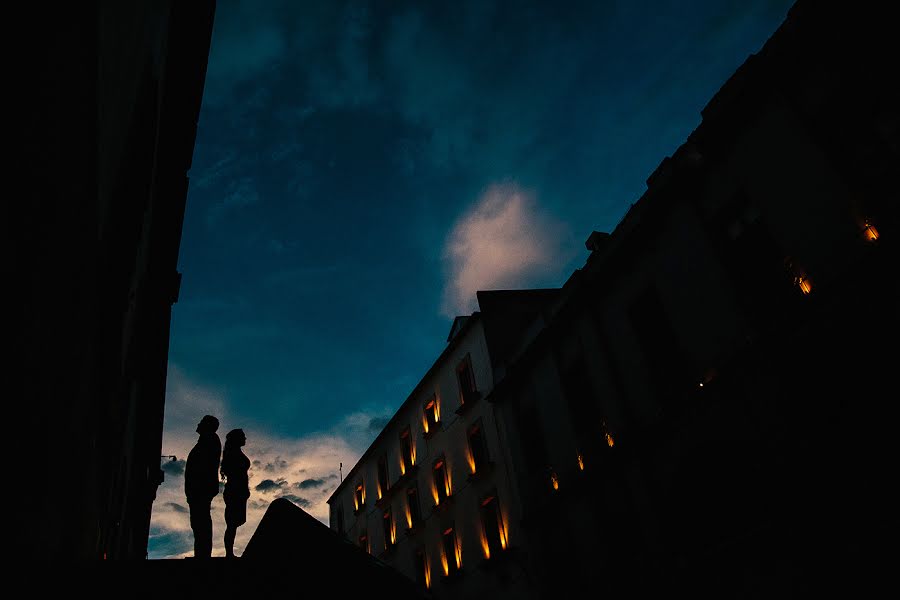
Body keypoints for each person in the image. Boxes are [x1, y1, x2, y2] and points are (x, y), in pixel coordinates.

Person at [184, 415, 221, 558]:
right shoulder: (206, 440)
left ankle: (203, 555)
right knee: (198, 523)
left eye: (202, 422)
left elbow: (204, 466)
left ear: (207, 425)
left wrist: (195, 487)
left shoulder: (210, 440)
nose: (198, 424)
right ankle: (201, 554)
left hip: (201, 488)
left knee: (201, 522)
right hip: (198, 489)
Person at [220, 428, 251, 558]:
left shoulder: (234, 453)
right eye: (243, 436)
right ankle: (229, 553)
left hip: (238, 491)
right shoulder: (233, 454)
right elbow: (235, 474)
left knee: (234, 523)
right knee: (232, 523)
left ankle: (229, 553)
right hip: (235, 491)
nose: (245, 439)